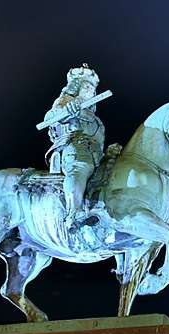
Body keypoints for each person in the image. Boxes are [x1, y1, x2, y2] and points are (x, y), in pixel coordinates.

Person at [45, 65, 105, 223]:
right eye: (86, 87)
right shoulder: (65, 103)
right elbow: (50, 117)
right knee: (79, 168)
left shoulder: (92, 116)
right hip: (75, 148)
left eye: (92, 89)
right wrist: (66, 112)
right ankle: (74, 212)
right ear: (76, 88)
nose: (91, 91)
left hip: (96, 155)